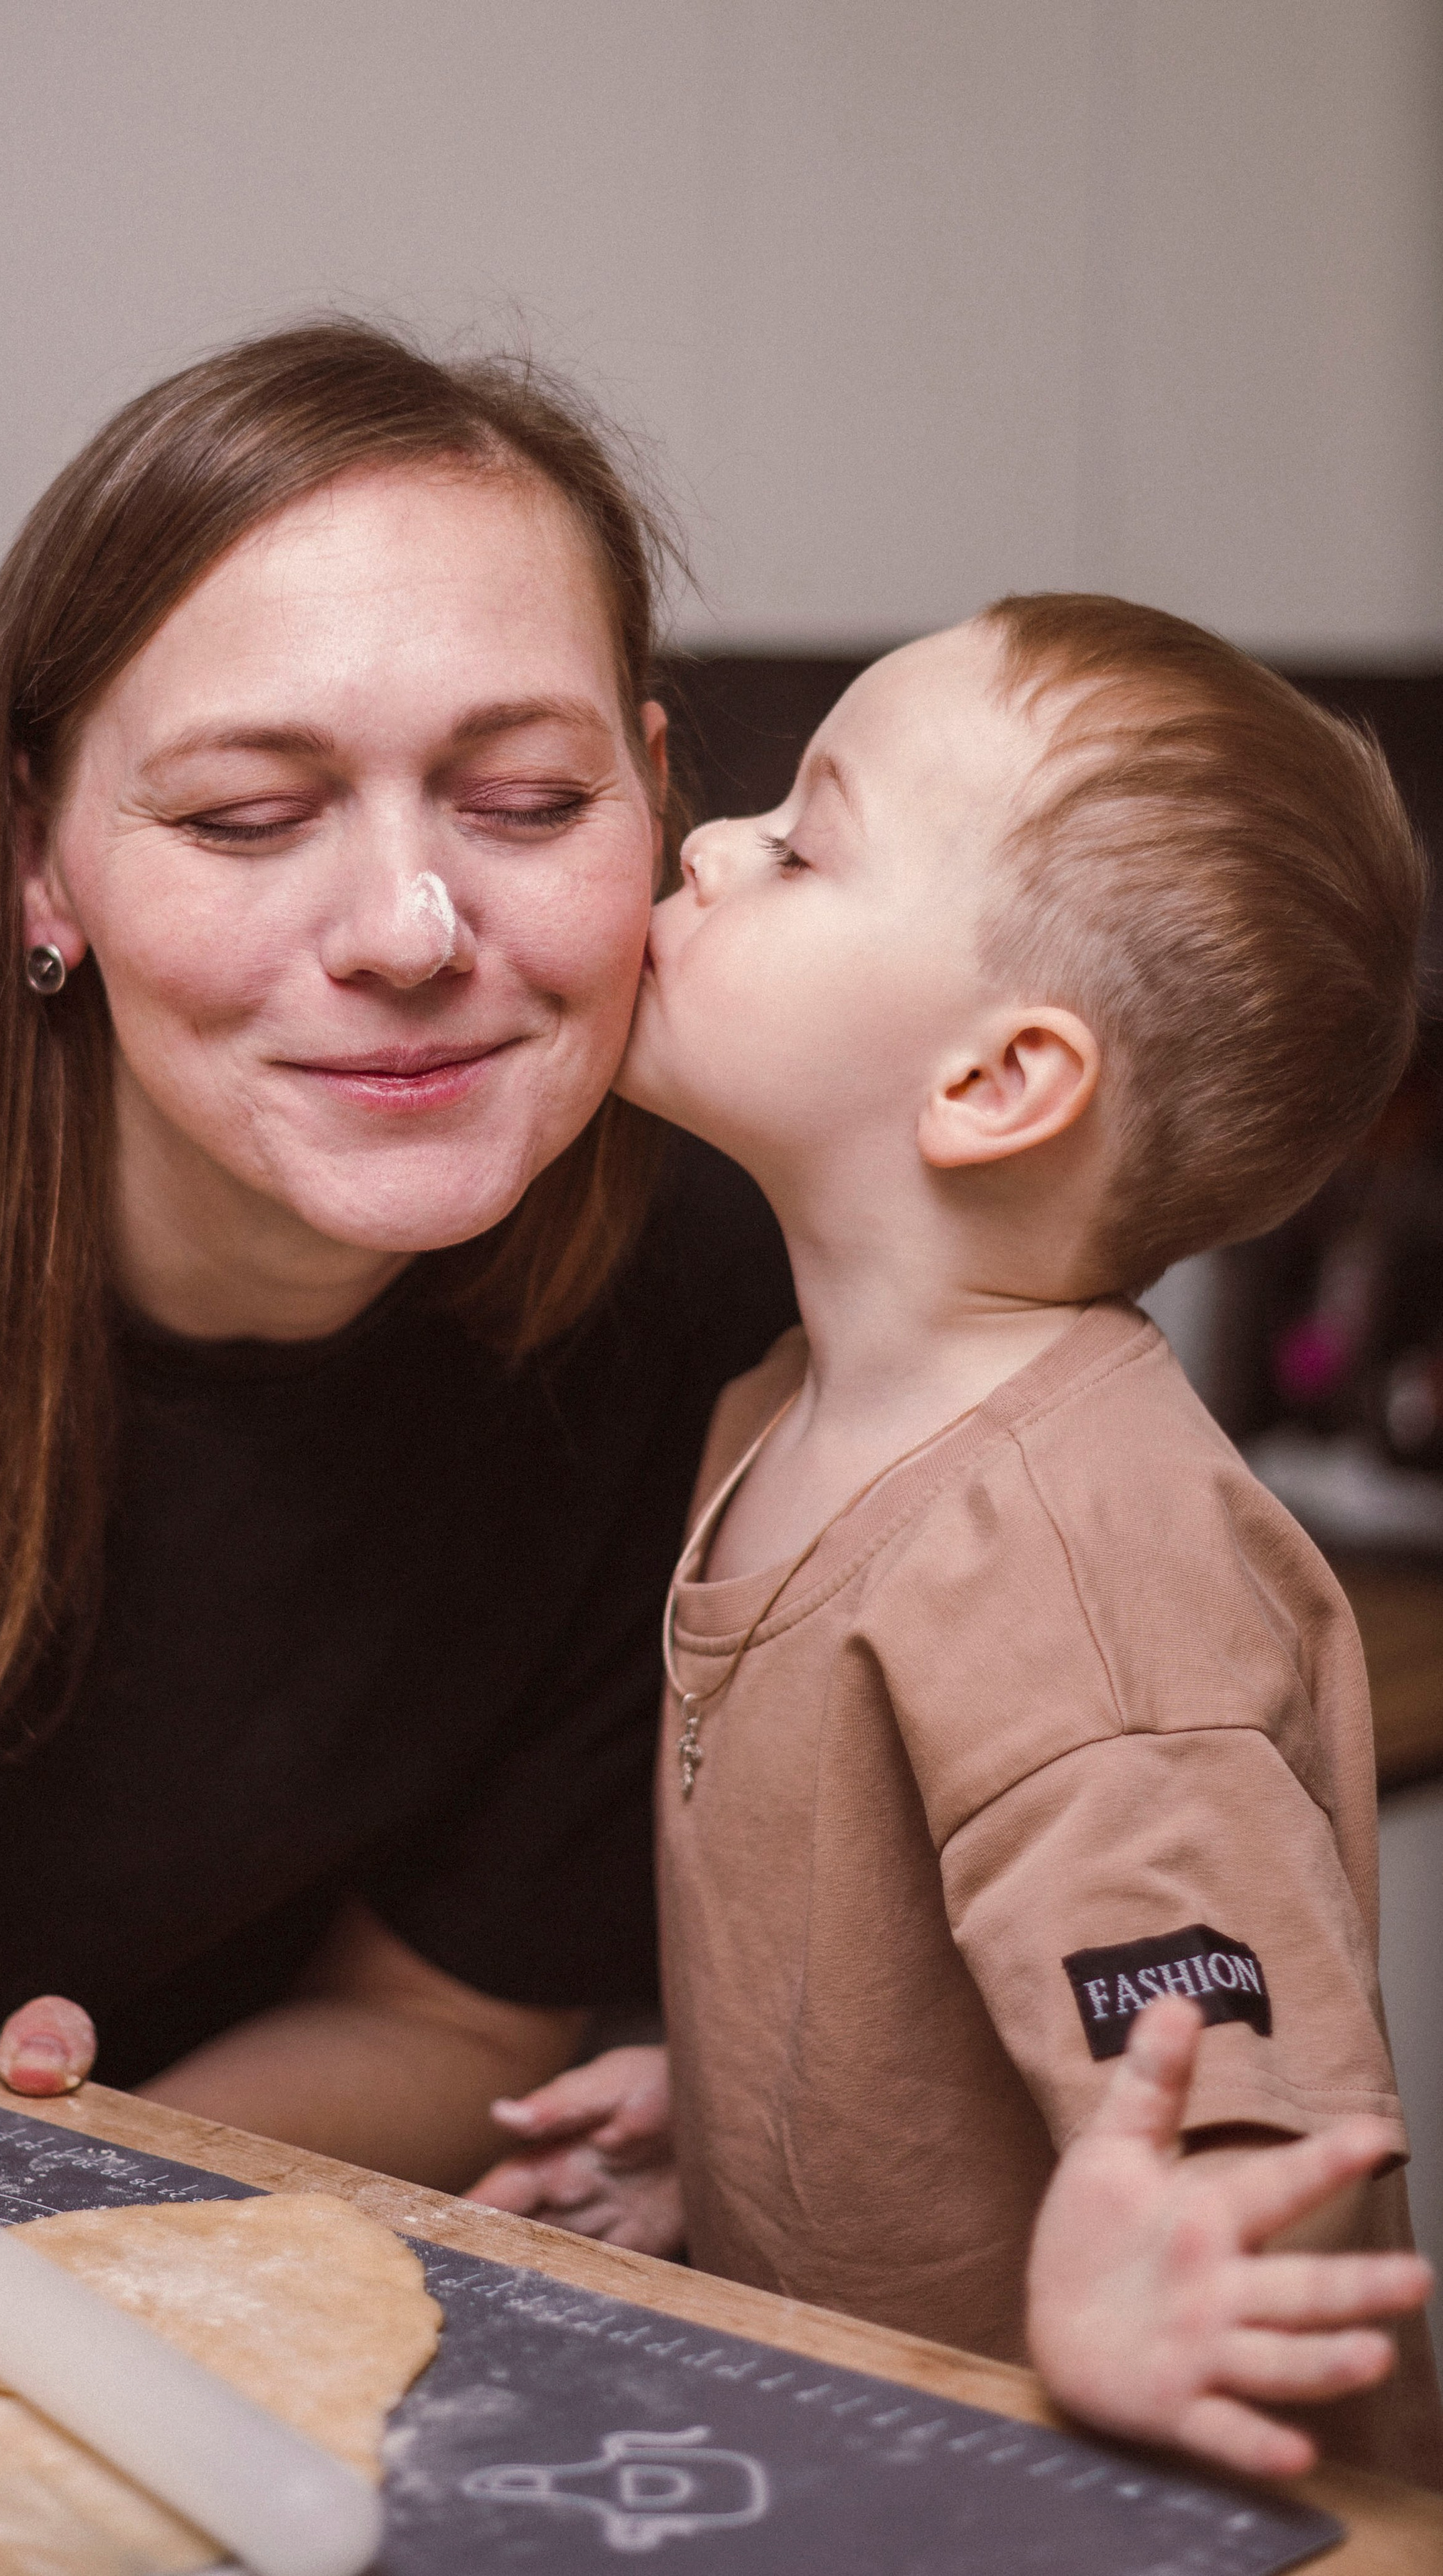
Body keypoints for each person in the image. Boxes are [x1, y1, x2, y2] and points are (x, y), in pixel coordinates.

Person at [0, 323, 795, 2191]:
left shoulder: (696, 1290)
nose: (408, 925)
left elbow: (451, 2022)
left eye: (529, 799)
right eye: (245, 816)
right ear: (37, 865)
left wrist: (36, 2186)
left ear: (648, 795)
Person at [471, 595, 1443, 2484]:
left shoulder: (1066, 1564)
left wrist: (1176, 2282)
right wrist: (775, 2118)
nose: (709, 841)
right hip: (887, 2472)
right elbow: (954, 1969)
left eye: (807, 839)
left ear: (997, 1083)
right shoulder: (787, 1409)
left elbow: (1252, 2123)